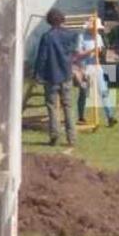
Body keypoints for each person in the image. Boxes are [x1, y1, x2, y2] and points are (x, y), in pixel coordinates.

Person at [33, 9, 77, 146]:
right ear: (62, 19)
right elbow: (73, 52)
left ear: (49, 21)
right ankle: (72, 138)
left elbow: (42, 58)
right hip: (66, 75)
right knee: (68, 106)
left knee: (52, 107)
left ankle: (54, 135)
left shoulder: (47, 37)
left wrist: (37, 75)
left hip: (51, 76)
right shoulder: (71, 35)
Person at [75, 17, 118, 127]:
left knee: (104, 91)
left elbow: (101, 51)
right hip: (85, 68)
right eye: (95, 28)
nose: (97, 31)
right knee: (84, 93)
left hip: (97, 67)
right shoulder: (81, 37)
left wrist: (100, 51)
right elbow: (79, 54)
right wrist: (91, 51)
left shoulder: (98, 37)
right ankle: (81, 117)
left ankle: (110, 117)